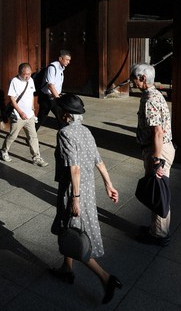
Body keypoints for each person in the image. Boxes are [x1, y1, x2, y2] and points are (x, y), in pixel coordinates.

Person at [50, 93, 122, 305]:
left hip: (74, 189)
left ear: (65, 114)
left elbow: (75, 167)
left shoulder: (64, 133)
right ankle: (67, 268)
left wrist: (75, 198)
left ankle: (106, 278)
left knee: (74, 233)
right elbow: (98, 160)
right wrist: (109, 184)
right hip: (88, 188)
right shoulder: (86, 131)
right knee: (70, 228)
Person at [131, 63, 175, 246]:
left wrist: (157, 160)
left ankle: (159, 234)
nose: (132, 80)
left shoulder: (150, 99)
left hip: (158, 150)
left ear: (142, 78)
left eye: (133, 77)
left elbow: (157, 132)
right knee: (157, 189)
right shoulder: (155, 94)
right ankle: (156, 229)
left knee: (158, 191)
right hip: (161, 148)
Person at [0, 63, 48, 167]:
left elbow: (31, 94)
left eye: (29, 74)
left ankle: (36, 157)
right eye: (25, 74)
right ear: (19, 73)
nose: (27, 76)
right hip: (17, 115)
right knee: (13, 135)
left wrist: (32, 108)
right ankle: (4, 151)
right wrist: (20, 112)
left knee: (33, 137)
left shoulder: (30, 80)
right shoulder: (14, 81)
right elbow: (12, 99)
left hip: (29, 115)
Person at [36, 50, 72, 130]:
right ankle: (32, 136)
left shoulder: (62, 68)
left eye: (69, 60)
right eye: (66, 60)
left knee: (62, 119)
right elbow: (50, 85)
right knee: (41, 118)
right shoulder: (52, 67)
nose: (68, 62)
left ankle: (63, 139)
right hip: (47, 97)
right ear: (60, 59)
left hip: (55, 97)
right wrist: (58, 99)